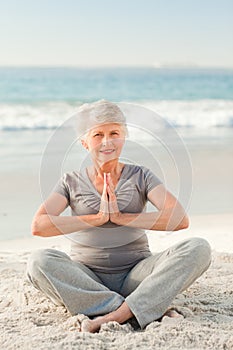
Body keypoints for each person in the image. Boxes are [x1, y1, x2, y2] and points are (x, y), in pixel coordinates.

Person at [27, 100, 211, 333]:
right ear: (84, 142)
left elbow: (179, 219)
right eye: (98, 135)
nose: (107, 141)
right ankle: (141, 308)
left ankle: (111, 313)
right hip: (87, 278)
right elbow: (39, 225)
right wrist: (97, 218)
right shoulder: (70, 181)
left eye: (114, 133)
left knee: (198, 247)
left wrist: (123, 217)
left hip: (138, 275)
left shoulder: (141, 176)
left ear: (124, 137)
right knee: (38, 262)